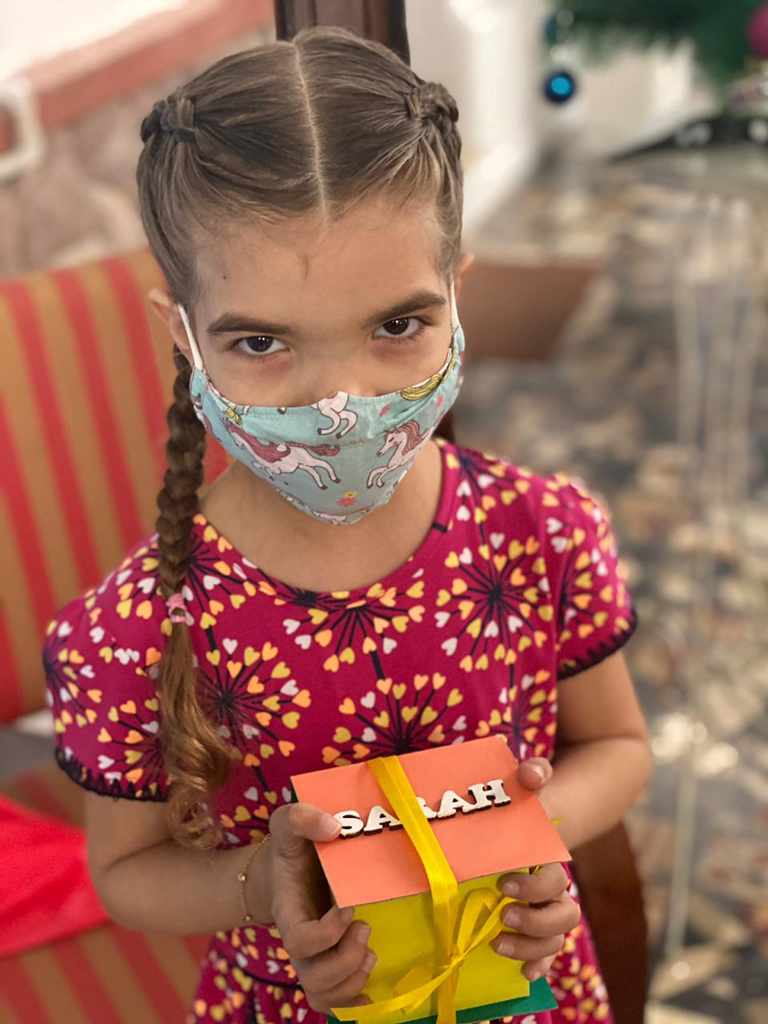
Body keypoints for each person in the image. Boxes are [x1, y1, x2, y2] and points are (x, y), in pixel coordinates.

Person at [42, 25, 651, 1024]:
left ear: (456, 293)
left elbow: (619, 744)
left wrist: (528, 833)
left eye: (396, 326)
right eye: (262, 341)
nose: (341, 403)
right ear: (182, 335)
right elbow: (128, 871)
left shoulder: (539, 528)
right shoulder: (137, 627)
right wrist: (268, 887)